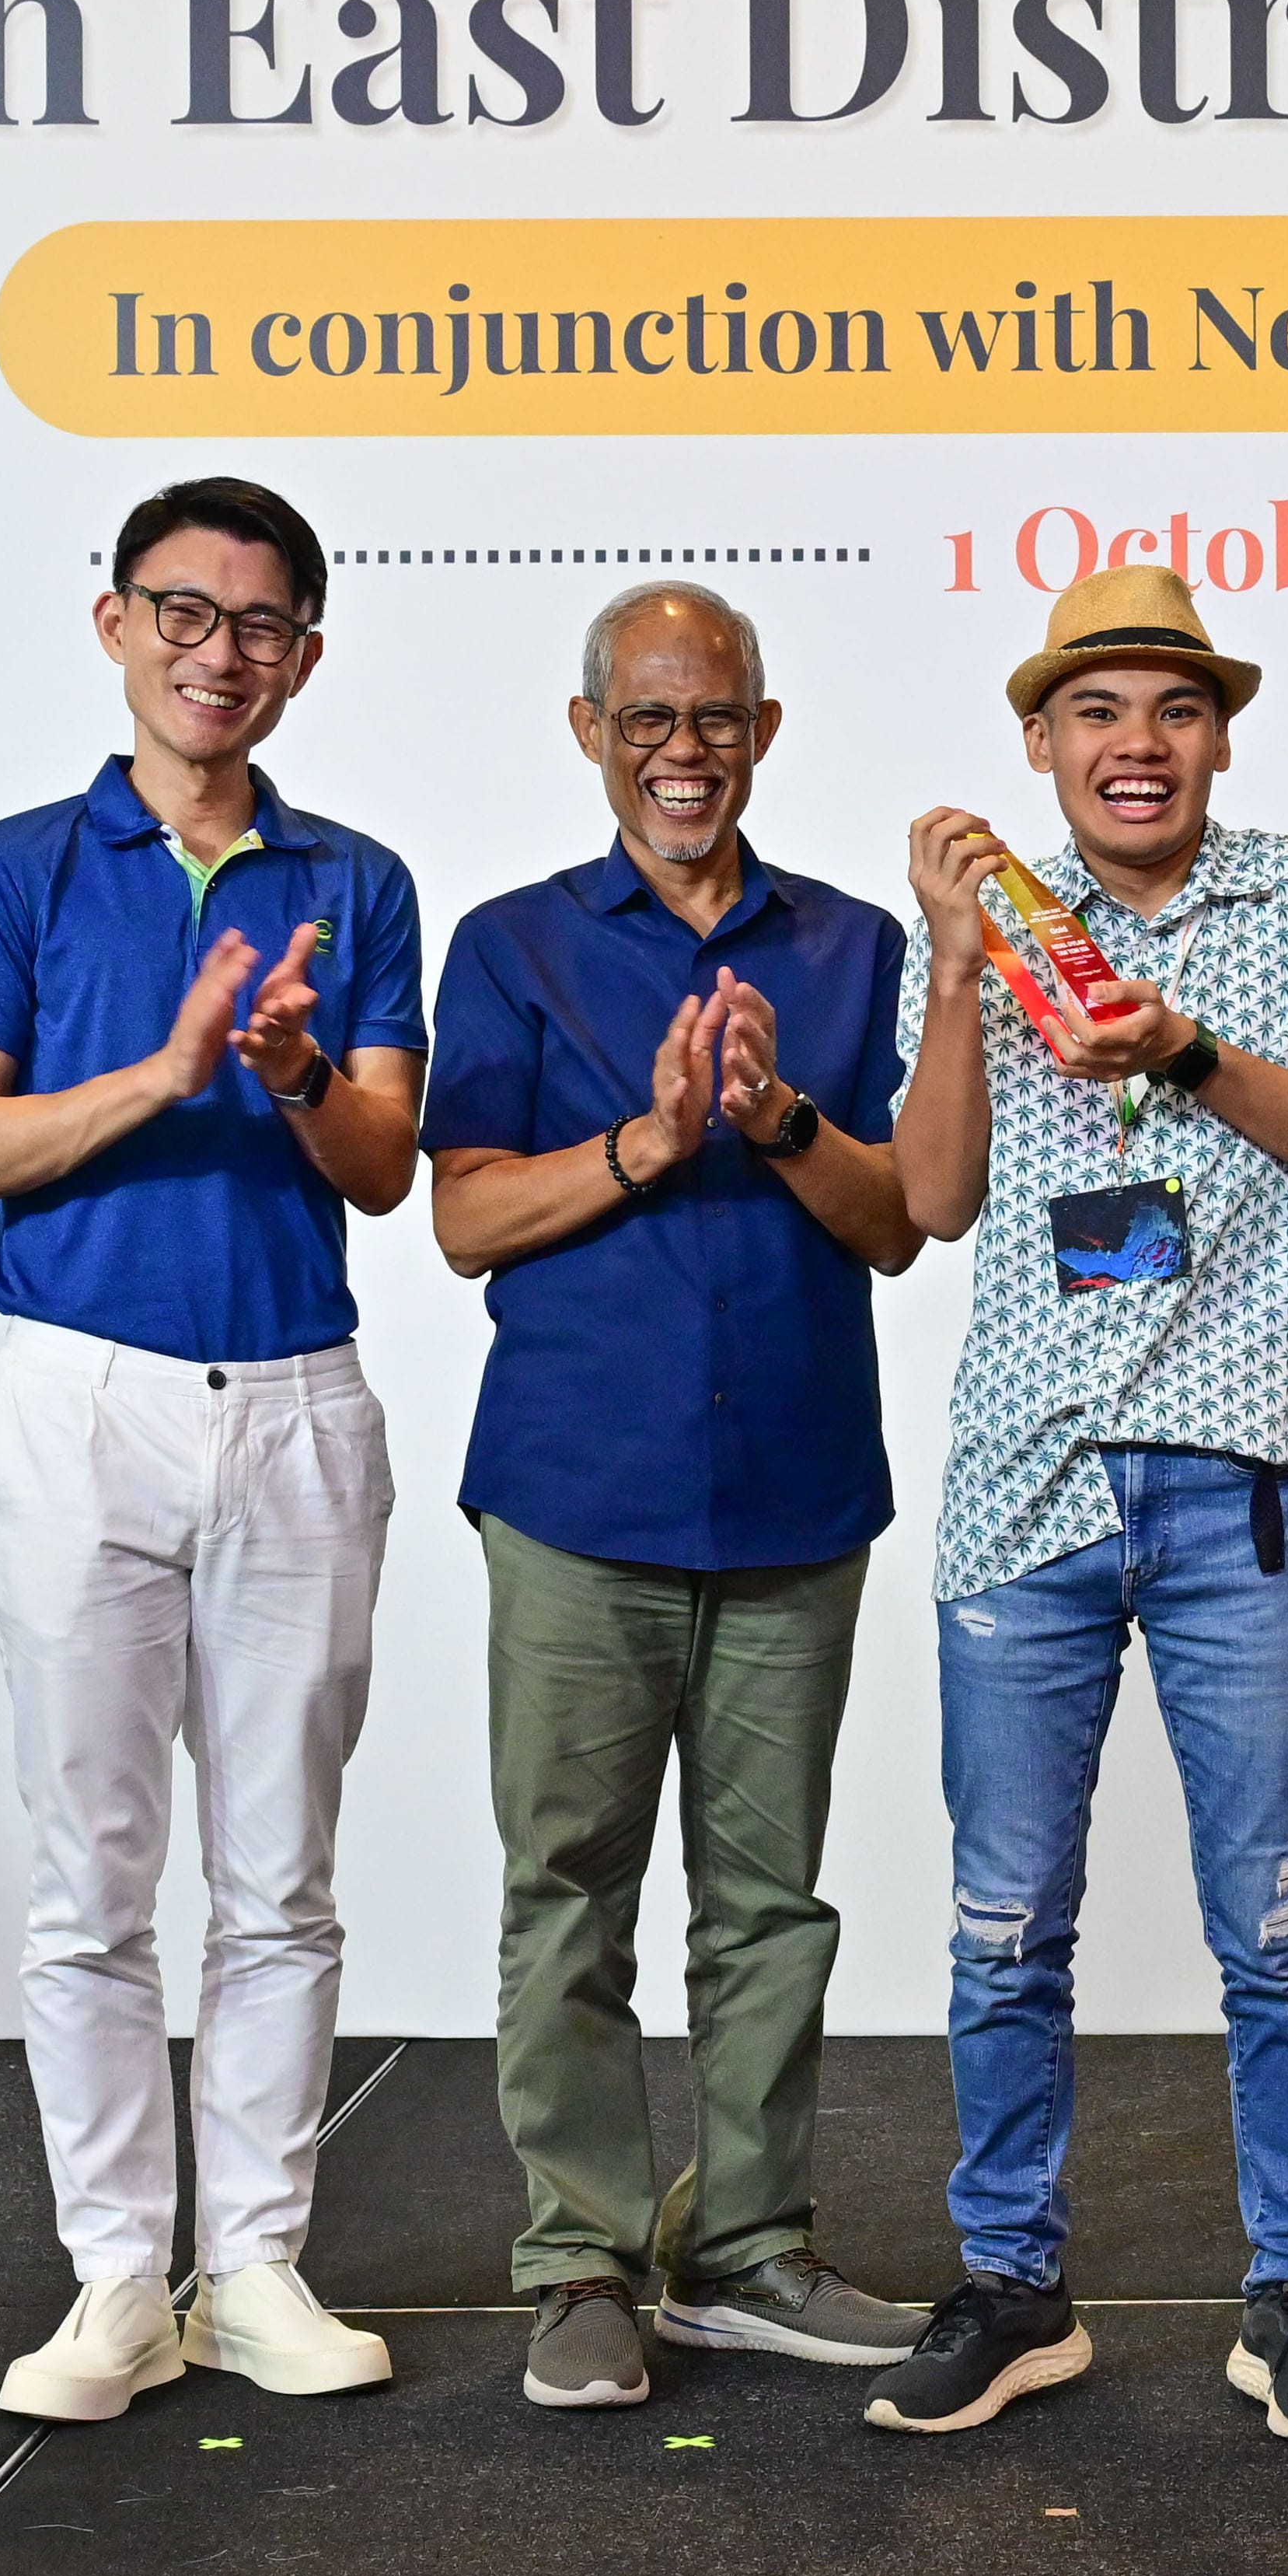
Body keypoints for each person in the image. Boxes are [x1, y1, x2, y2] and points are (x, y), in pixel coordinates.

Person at [869, 568, 1288, 2441]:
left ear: (1221, 736)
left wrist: (1182, 1048)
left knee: (1276, 1923)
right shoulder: (992, 924)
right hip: (1023, 1487)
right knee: (1002, 1924)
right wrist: (957, 964)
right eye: (1096, 711)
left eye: (1174, 709)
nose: (1138, 744)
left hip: (1237, 1492)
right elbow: (932, 1198)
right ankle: (1014, 2284)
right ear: (1041, 741)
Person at [0, 476, 428, 2425]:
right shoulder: (19, 868)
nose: (222, 653)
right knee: (93, 1875)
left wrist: (286, 1069)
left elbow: (381, 1164)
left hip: (294, 1398)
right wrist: (164, 1068)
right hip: (83, 1395)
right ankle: (119, 2277)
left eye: (262, 624)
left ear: (306, 654)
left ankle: (260, 2263)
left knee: (281, 1874)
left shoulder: (357, 882)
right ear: (116, 622)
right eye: (185, 613)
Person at [422, 582, 935, 2414]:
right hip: (577, 1489)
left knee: (770, 1901)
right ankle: (578, 2260)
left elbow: (898, 1221)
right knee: (567, 1890)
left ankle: (746, 2250)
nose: (682, 750)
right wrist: (647, 1141)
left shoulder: (857, 946)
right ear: (591, 733)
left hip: (796, 1485)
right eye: (645, 717)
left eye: (714, 716)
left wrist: (779, 1117)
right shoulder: (511, 945)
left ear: (764, 730)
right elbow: (466, 1215)